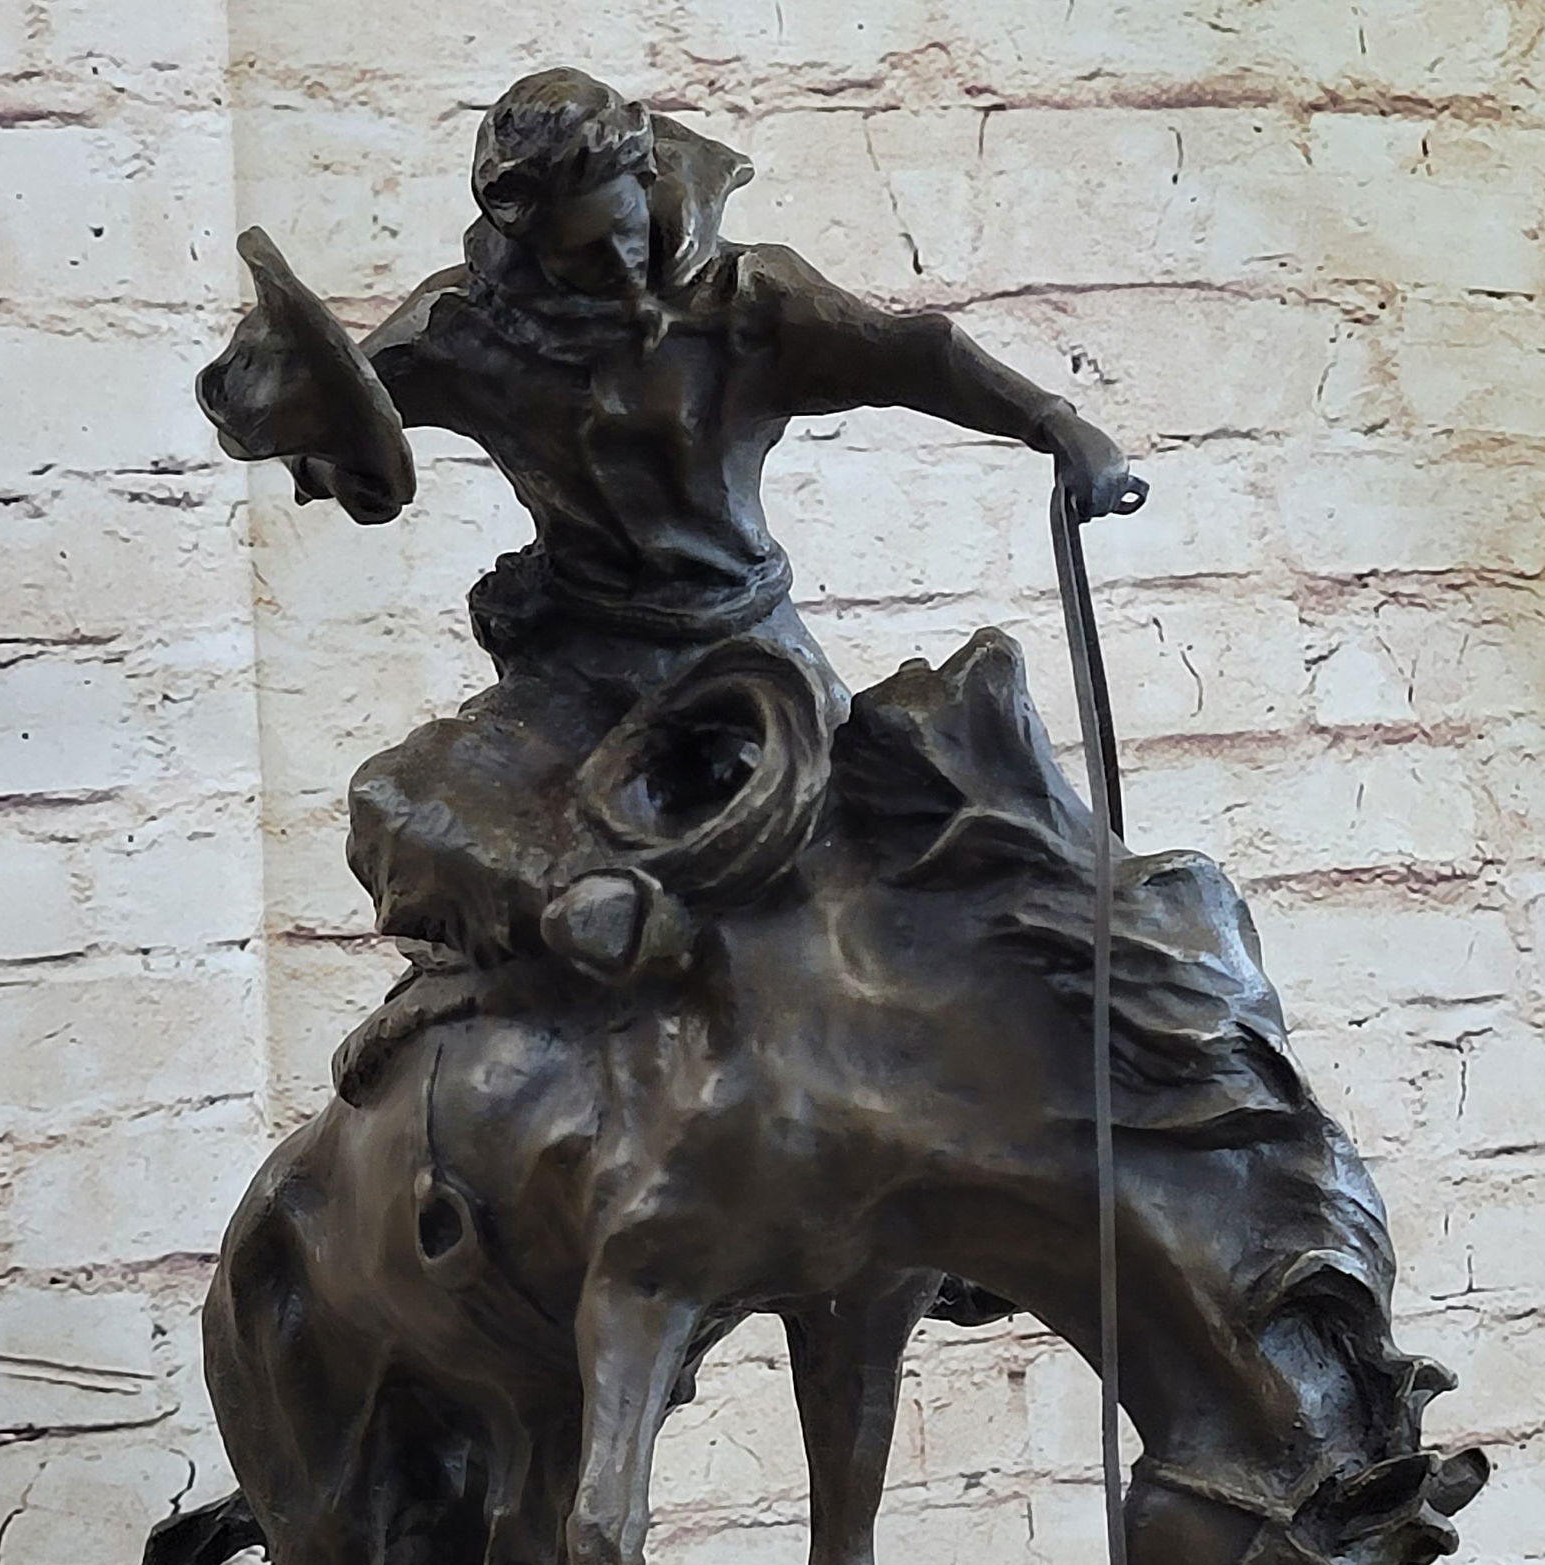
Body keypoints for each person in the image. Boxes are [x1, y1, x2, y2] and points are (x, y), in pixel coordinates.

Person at [197, 67, 1145, 1057]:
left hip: (748, 653)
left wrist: (1056, 424)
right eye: (581, 255)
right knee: (398, 795)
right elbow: (348, 418)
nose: (619, 264)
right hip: (577, 665)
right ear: (524, 242)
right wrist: (322, 453)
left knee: (880, 831)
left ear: (648, 178)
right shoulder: (463, 328)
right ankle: (587, 913)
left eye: (623, 230)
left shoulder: (748, 301)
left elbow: (916, 356)